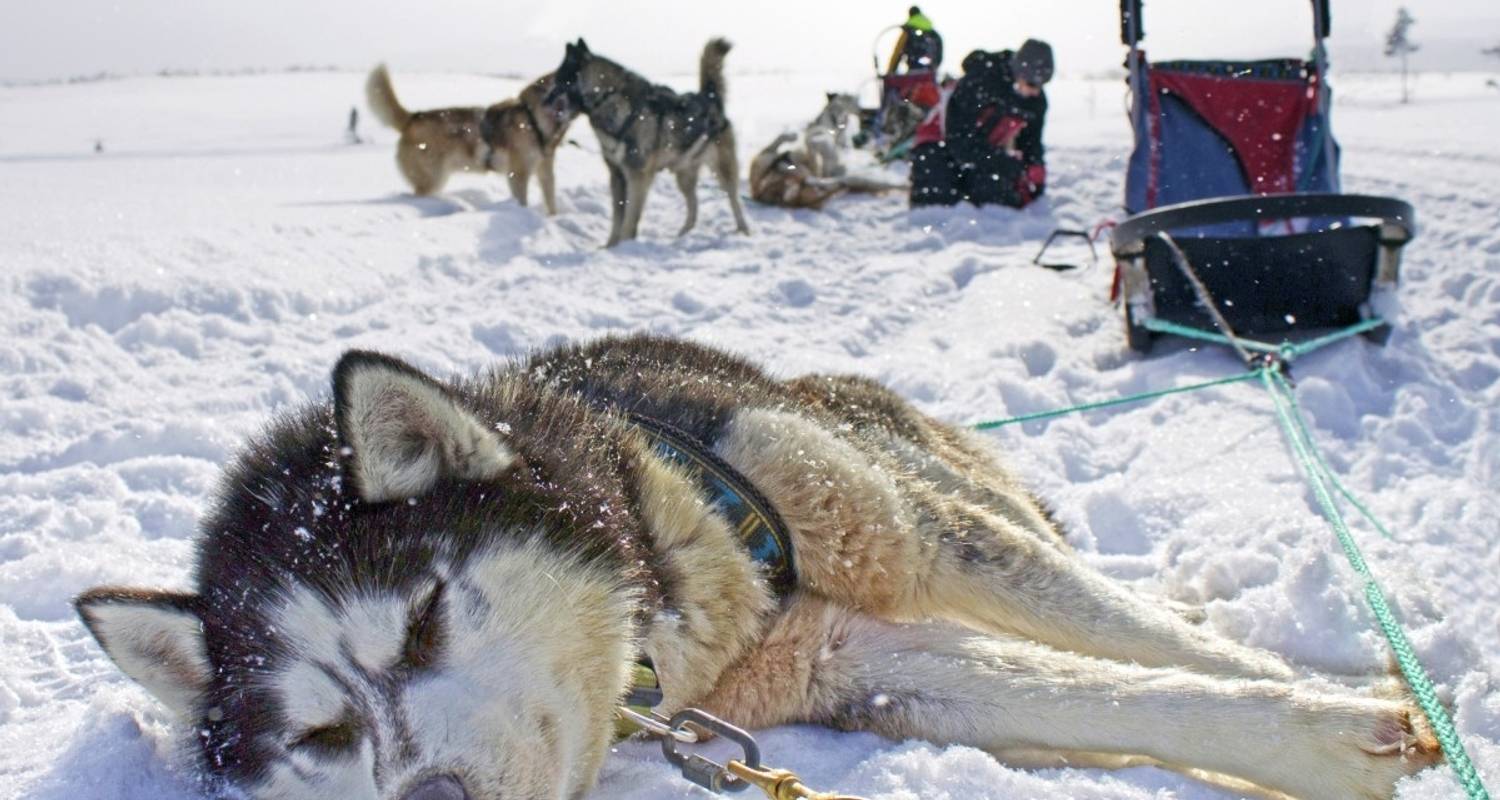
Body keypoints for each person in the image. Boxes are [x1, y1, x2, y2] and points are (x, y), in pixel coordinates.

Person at [910, 38, 1053, 209]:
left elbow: (1031, 141)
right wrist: (1007, 165)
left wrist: (1035, 167)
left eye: (1041, 85)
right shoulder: (980, 81)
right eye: (1031, 84)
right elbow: (959, 141)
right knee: (938, 202)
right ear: (1018, 73)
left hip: (983, 152)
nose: (1035, 91)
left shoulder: (1035, 101)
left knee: (998, 199)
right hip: (939, 144)